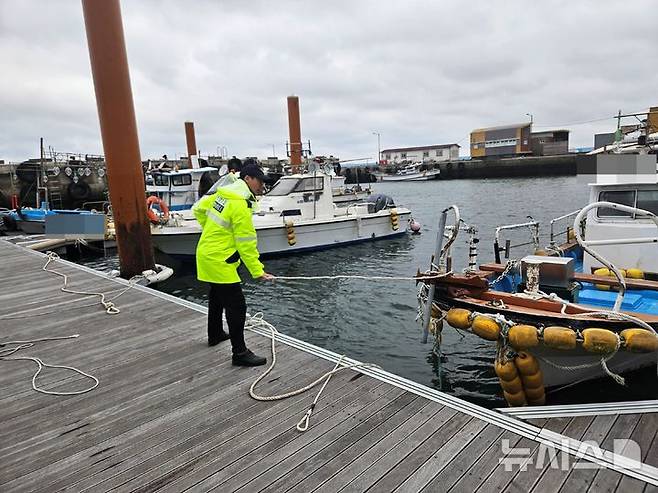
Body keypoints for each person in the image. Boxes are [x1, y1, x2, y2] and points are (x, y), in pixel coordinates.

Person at [192, 163, 273, 366]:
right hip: (220, 259)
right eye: (259, 180)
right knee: (237, 305)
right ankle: (240, 353)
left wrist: (211, 233)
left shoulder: (223, 193)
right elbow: (246, 242)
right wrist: (257, 271)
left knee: (217, 297)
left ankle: (216, 334)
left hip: (207, 254)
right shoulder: (240, 202)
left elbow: (198, 209)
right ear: (247, 179)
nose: (262, 185)